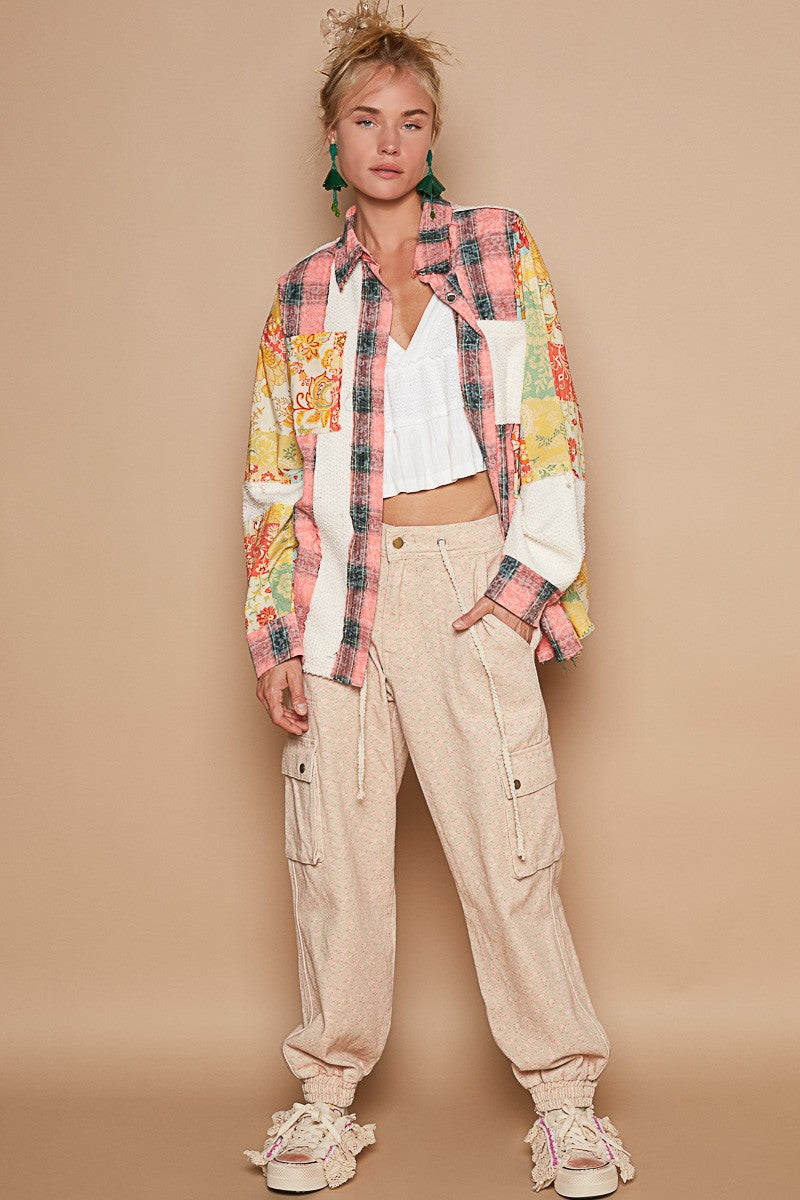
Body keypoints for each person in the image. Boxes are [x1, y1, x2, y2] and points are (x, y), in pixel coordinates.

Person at [241, 2, 636, 1194]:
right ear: (331, 135)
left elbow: (551, 422)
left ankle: (565, 1103)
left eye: (411, 121)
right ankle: (324, 1101)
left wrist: (518, 588)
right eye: (366, 119)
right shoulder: (303, 295)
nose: (389, 140)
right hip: (342, 599)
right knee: (336, 862)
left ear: (433, 135)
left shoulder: (496, 247)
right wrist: (275, 634)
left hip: (471, 582)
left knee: (510, 848)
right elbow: (272, 479)